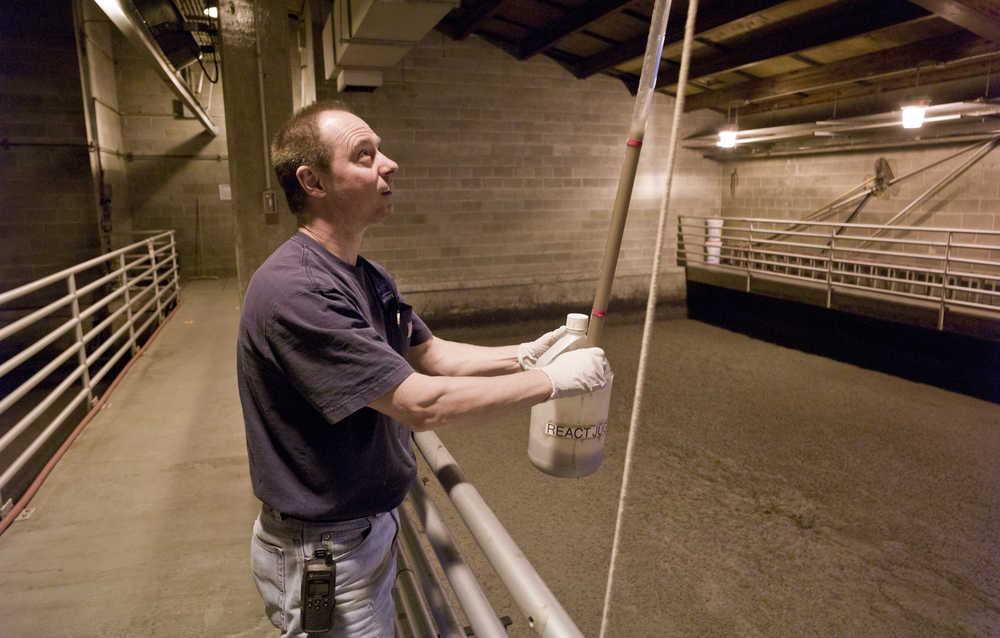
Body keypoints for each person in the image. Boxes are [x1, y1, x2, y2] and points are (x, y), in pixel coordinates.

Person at [236, 99, 612, 638]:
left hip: (366, 526)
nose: (388, 165)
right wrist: (554, 383)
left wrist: (528, 353)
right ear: (312, 181)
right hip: (326, 548)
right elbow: (420, 402)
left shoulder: (365, 274)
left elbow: (428, 354)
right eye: (365, 156)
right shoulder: (298, 290)